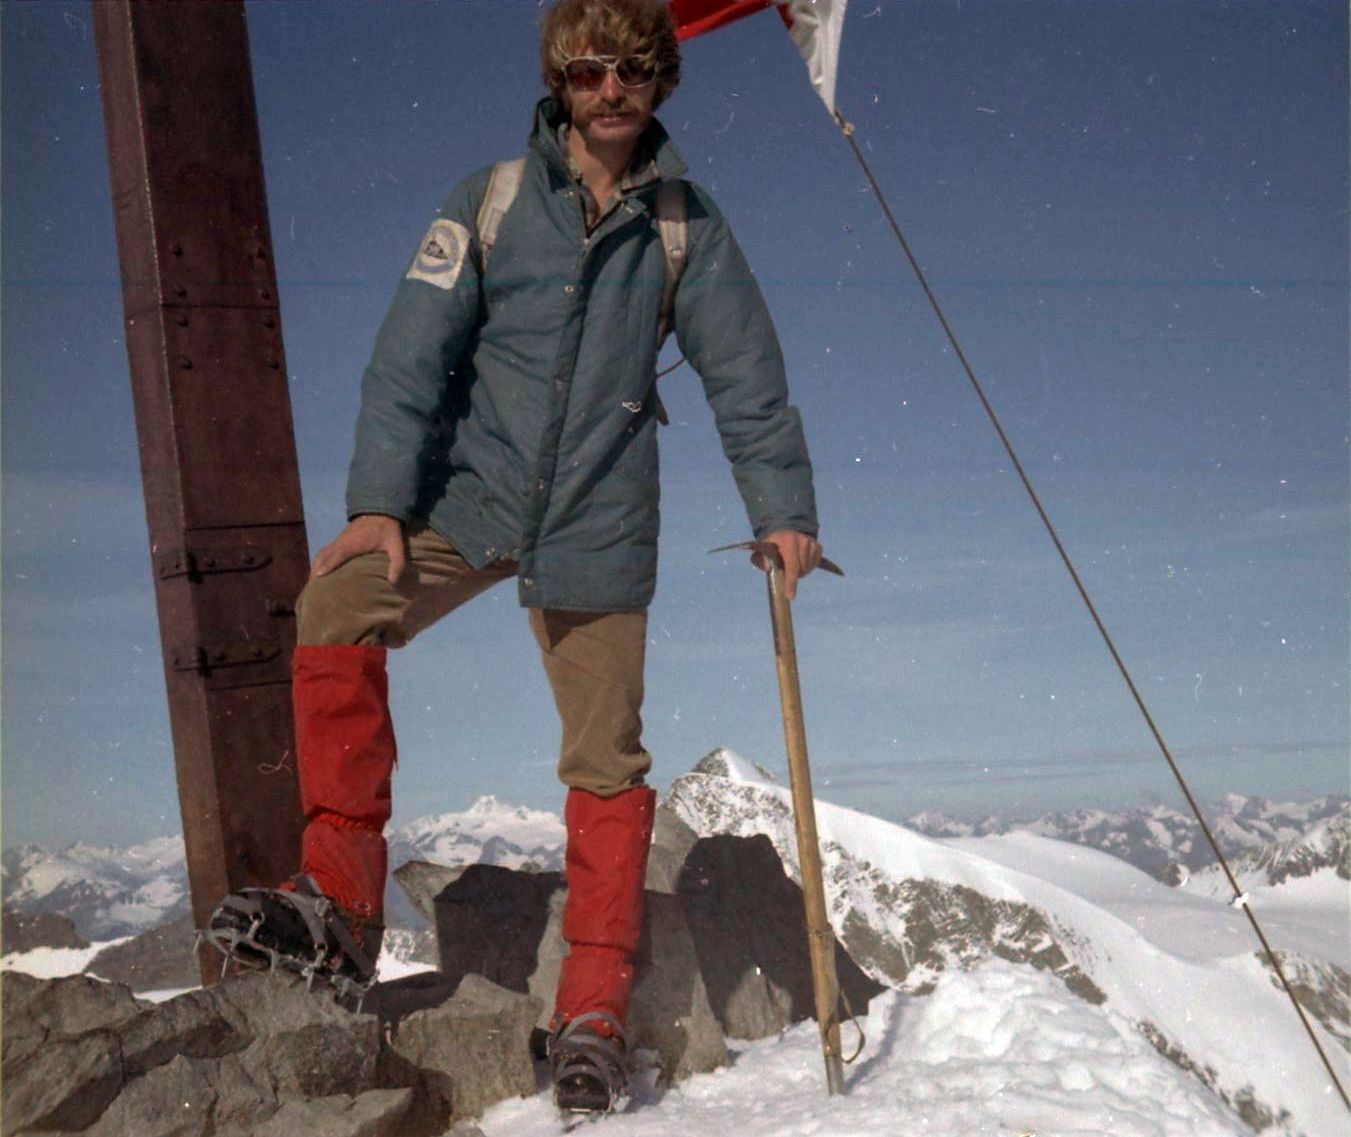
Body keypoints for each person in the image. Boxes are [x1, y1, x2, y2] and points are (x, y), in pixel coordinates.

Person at [210, 0, 821, 1113]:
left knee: (605, 758)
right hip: (470, 501)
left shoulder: (686, 226)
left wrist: (782, 510)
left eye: (632, 71)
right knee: (336, 603)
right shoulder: (488, 202)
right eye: (588, 71)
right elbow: (410, 355)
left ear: (659, 83)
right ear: (558, 79)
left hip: (597, 519)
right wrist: (382, 502)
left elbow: (746, 375)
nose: (609, 92)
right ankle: (342, 907)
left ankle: (589, 1011)